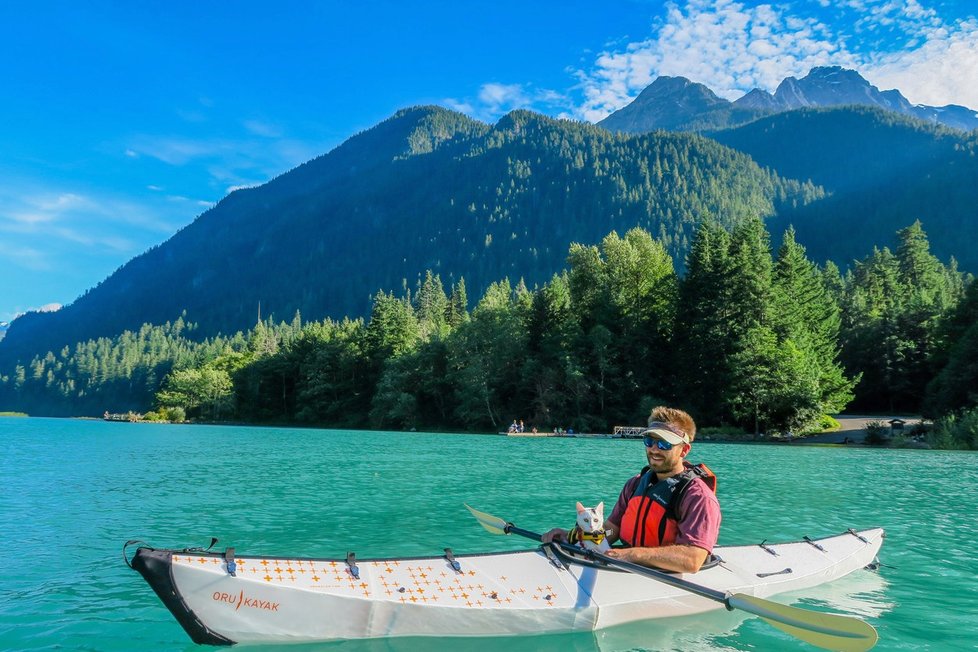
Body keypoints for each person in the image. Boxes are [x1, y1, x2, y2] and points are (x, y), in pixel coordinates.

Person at [543, 406, 720, 573]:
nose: (654, 449)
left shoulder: (698, 496)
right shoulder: (635, 484)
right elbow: (612, 530)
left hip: (665, 575)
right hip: (627, 566)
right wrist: (573, 537)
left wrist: (631, 555)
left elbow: (693, 560)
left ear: (684, 450)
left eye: (664, 444)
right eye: (649, 441)